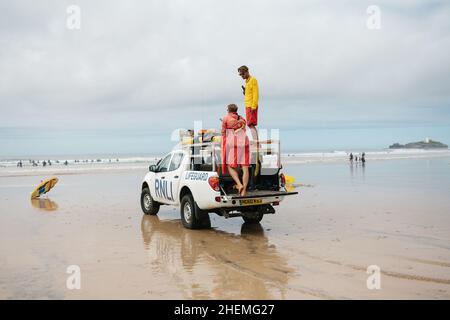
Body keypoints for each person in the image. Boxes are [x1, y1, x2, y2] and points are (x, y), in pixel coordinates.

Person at [221, 104, 250, 196]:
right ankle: (244, 191)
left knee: (230, 166)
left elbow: (223, 133)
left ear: (228, 110)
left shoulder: (226, 119)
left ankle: (239, 184)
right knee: (245, 168)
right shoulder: (242, 119)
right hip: (244, 143)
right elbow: (243, 129)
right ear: (236, 110)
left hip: (234, 145)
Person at [238, 66, 259, 146]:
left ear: (247, 72)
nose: (242, 76)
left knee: (251, 124)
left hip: (251, 106)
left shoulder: (253, 80)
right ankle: (256, 142)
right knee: (250, 124)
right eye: (240, 75)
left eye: (243, 74)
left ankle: (256, 143)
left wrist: (254, 106)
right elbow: (249, 94)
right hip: (248, 105)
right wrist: (245, 92)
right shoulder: (247, 81)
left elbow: (256, 94)